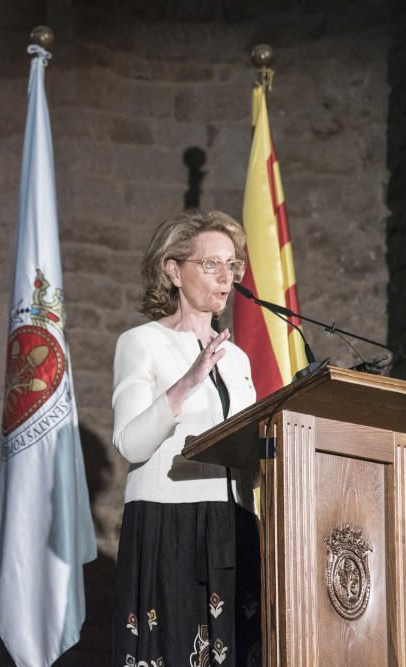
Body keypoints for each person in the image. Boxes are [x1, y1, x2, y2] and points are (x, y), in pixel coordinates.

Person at [111, 210, 261, 666]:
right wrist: (187, 382)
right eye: (210, 264)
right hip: (169, 523)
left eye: (231, 265)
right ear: (174, 271)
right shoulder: (141, 342)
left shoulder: (236, 359)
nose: (225, 276)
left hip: (232, 525)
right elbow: (130, 443)